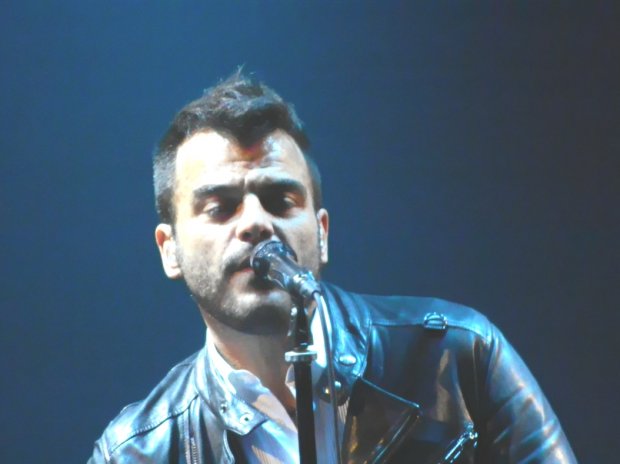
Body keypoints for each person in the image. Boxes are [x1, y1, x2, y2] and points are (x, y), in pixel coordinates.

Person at [89, 71, 576, 463]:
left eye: (280, 200)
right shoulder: (133, 453)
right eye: (220, 207)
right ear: (169, 249)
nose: (256, 222)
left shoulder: (459, 355)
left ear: (322, 234)